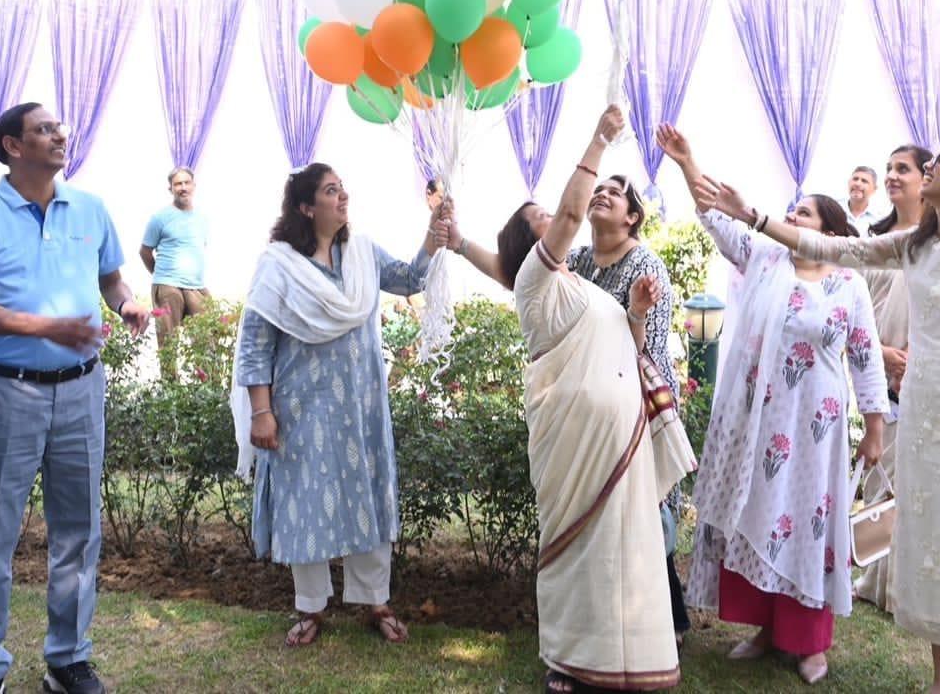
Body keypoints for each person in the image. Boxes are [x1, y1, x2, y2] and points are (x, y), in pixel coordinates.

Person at [698, 142, 940, 694]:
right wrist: (753, 216)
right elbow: (828, 246)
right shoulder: (915, 246)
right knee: (931, 547)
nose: (929, 167)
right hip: (922, 415)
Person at [657, 125, 886, 686]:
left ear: (829, 231)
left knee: (806, 528)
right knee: (757, 519)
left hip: (816, 432)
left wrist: (875, 427)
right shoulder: (764, 259)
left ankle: (808, 643)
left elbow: (866, 357)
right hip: (756, 426)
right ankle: (764, 629)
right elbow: (715, 217)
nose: (792, 218)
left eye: (803, 214)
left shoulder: (848, 285)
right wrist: (688, 161)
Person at [477, 105, 693, 691]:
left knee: (620, 550)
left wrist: (640, 313)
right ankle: (568, 660)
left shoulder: (579, 283)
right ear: (534, 240)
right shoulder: (537, 279)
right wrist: (598, 139)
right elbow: (573, 210)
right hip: (572, 442)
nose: (560, 220)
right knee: (575, 550)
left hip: (618, 435)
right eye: (544, 220)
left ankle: (625, 655)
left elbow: (622, 341)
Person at [440, 162, 687, 641]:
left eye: (616, 192)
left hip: (634, 403)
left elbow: (647, 353)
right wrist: (459, 243)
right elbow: (516, 273)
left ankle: (665, 622)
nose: (604, 193)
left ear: (633, 217)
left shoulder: (646, 267)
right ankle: (610, 630)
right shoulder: (579, 260)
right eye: (601, 188)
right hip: (584, 412)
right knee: (600, 521)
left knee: (647, 517)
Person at [0, 104, 147, 694]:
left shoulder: (90, 207)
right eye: (43, 129)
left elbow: (112, 278)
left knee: (79, 530)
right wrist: (46, 328)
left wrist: (128, 303)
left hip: (81, 389)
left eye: (59, 127)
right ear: (12, 146)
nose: (59, 134)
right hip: (6, 390)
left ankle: (68, 658)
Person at [233, 163, 437, 649]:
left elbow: (410, 279)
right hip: (303, 409)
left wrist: (434, 235)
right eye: (331, 191)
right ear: (307, 207)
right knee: (307, 499)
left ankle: (376, 601)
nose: (343, 197)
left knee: (367, 495)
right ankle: (310, 608)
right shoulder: (279, 265)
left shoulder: (362, 253)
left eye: (343, 189)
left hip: (362, 407)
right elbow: (255, 344)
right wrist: (262, 412)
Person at [854, 143, 933, 610]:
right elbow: (855, 311)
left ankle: (905, 585)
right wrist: (879, 354)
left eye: (902, 168)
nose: (891, 176)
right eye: (887, 168)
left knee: (914, 486)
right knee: (880, 480)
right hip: (877, 372)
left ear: (928, 177)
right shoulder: (874, 240)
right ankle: (875, 579)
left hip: (924, 376)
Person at [140, 166, 210, 382]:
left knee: (205, 339)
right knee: (169, 343)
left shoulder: (201, 217)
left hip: (195, 285)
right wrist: (160, 278)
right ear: (170, 188)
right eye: (177, 184)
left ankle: (207, 393)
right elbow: (145, 252)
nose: (183, 188)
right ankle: (171, 395)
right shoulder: (160, 218)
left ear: (194, 186)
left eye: (186, 183)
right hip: (168, 284)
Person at [843, 166, 880, 233]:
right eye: (855, 179)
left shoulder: (881, 218)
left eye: (864, 181)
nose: (857, 184)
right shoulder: (833, 209)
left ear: (874, 189)